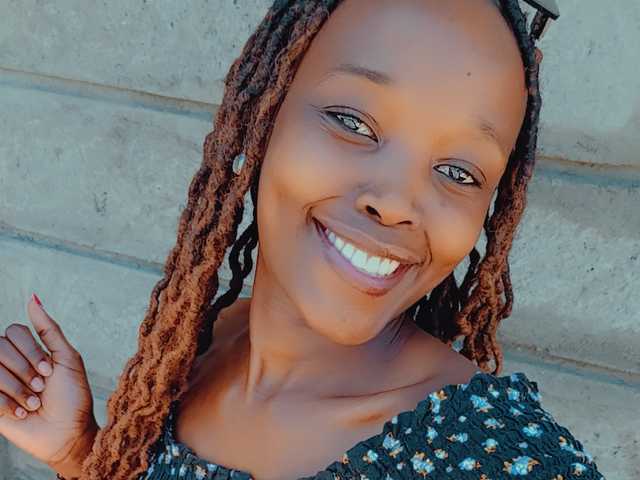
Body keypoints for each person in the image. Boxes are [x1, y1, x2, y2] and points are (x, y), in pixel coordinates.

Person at [0, 0, 607, 478]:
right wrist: (81, 454)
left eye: (459, 172)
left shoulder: (489, 456)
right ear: (265, 116)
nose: (396, 203)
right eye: (353, 122)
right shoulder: (207, 344)